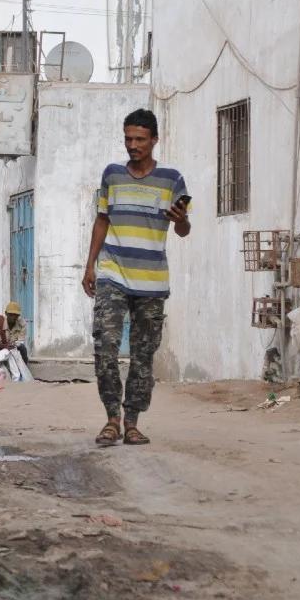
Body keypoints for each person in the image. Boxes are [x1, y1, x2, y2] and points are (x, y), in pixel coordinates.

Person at [82, 108, 191, 447]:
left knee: (143, 355)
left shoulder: (173, 180)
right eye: (128, 139)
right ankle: (111, 419)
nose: (133, 145)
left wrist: (179, 220)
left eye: (140, 139)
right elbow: (102, 219)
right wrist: (90, 266)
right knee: (106, 346)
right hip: (112, 274)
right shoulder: (112, 175)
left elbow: (184, 229)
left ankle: (132, 422)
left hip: (152, 281)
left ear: (154, 140)